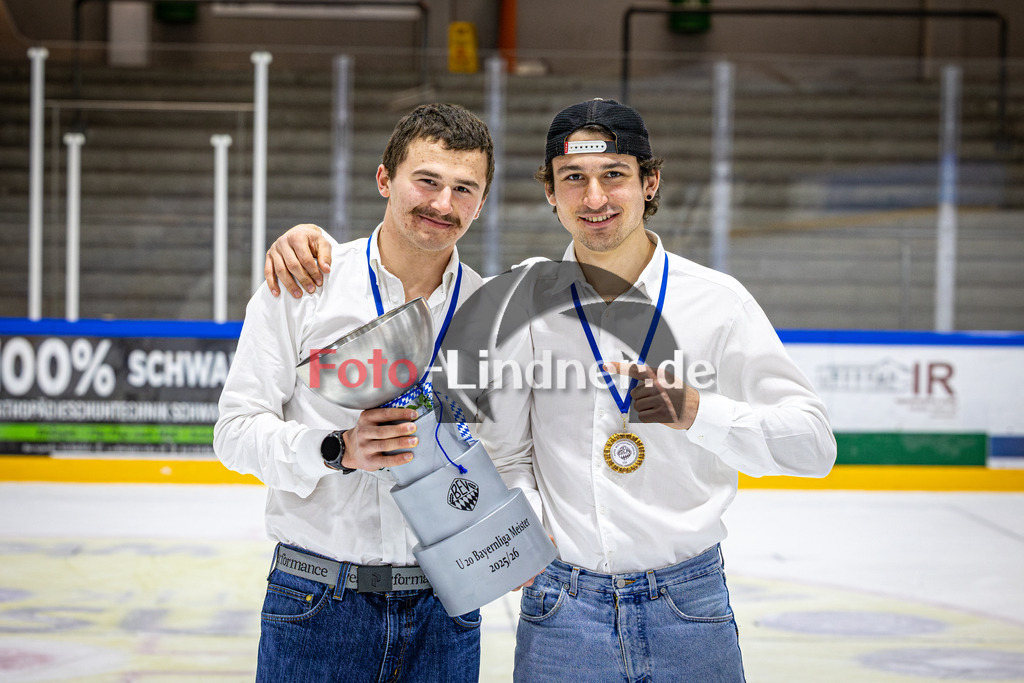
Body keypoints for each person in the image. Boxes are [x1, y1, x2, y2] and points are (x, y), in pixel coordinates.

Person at [266, 98, 837, 682]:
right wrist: (528, 530)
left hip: (687, 606)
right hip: (561, 610)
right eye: (573, 179)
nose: (594, 199)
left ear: (650, 182)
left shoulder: (718, 303)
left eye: (614, 175)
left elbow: (814, 447)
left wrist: (698, 411)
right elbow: (504, 450)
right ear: (550, 192)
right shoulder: (521, 305)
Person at [214, 102, 494, 682]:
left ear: (482, 202)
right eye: (427, 180)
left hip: (447, 609)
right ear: (384, 179)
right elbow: (234, 434)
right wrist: (337, 449)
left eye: (464, 189)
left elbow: (507, 452)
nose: (444, 204)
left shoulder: (491, 313)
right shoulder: (303, 282)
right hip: (318, 604)